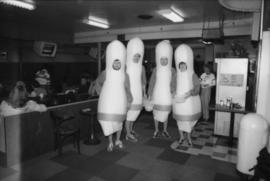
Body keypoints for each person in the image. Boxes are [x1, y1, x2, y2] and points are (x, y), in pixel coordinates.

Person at [96, 40, 132, 152]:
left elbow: (127, 89)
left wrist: (129, 100)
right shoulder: (105, 73)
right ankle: (110, 142)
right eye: (115, 62)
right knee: (109, 122)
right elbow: (98, 83)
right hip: (109, 103)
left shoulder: (125, 75)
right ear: (111, 62)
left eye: (119, 62)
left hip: (120, 102)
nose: (117, 64)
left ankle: (118, 140)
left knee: (119, 123)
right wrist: (102, 94)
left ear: (121, 63)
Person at [173, 44, 201, 146]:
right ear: (178, 66)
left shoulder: (193, 74)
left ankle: (188, 137)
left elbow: (197, 87)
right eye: (180, 65)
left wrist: (191, 93)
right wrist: (173, 92)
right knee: (180, 121)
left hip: (190, 102)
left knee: (190, 121)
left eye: (184, 65)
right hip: (179, 102)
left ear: (187, 64)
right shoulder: (176, 75)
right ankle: (181, 137)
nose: (182, 66)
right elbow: (172, 85)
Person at [148, 40, 176, 139]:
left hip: (167, 95)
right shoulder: (156, 70)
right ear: (159, 59)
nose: (164, 61)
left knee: (165, 113)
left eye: (165, 59)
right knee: (156, 113)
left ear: (168, 59)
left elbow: (174, 82)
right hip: (157, 95)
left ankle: (165, 130)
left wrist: (173, 91)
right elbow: (152, 82)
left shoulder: (172, 70)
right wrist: (150, 94)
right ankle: (156, 130)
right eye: (162, 59)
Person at [125, 37, 147, 142]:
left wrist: (144, 93)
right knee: (129, 115)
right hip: (128, 94)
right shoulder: (126, 66)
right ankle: (128, 133)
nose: (137, 58)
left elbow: (143, 81)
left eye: (139, 56)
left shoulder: (141, 67)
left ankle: (131, 129)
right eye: (135, 56)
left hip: (138, 94)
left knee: (135, 113)